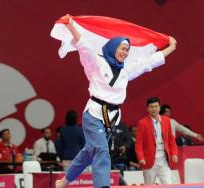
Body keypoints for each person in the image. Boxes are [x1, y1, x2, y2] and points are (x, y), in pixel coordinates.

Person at [55, 15, 177, 188]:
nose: (125, 52)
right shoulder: (96, 62)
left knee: (89, 152)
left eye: (128, 49)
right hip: (94, 114)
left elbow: (149, 62)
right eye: (122, 48)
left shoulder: (127, 68)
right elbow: (84, 46)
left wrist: (171, 47)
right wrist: (72, 26)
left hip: (111, 118)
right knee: (102, 151)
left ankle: (64, 181)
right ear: (113, 48)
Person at [135, 97, 178, 185]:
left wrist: (174, 153)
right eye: (151, 107)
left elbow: (171, 139)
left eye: (156, 106)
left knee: (168, 184)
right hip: (149, 161)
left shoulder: (166, 120)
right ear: (147, 108)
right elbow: (138, 144)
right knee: (149, 185)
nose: (154, 109)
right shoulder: (142, 123)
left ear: (159, 107)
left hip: (164, 160)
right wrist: (141, 158)